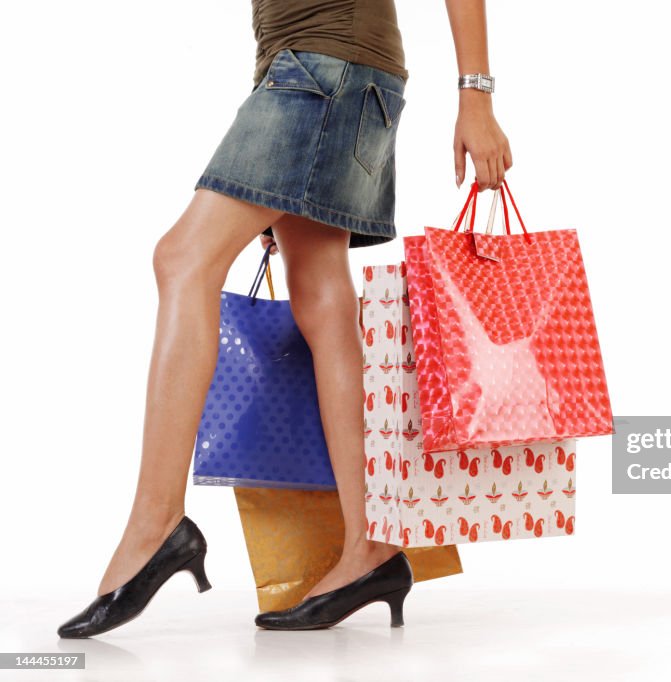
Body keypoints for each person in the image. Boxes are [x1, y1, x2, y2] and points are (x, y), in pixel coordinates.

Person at [57, 0, 511, 638]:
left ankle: (157, 523)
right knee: (321, 295)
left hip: (325, 69)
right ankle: (370, 547)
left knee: (182, 259)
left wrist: (476, 96)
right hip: (319, 70)